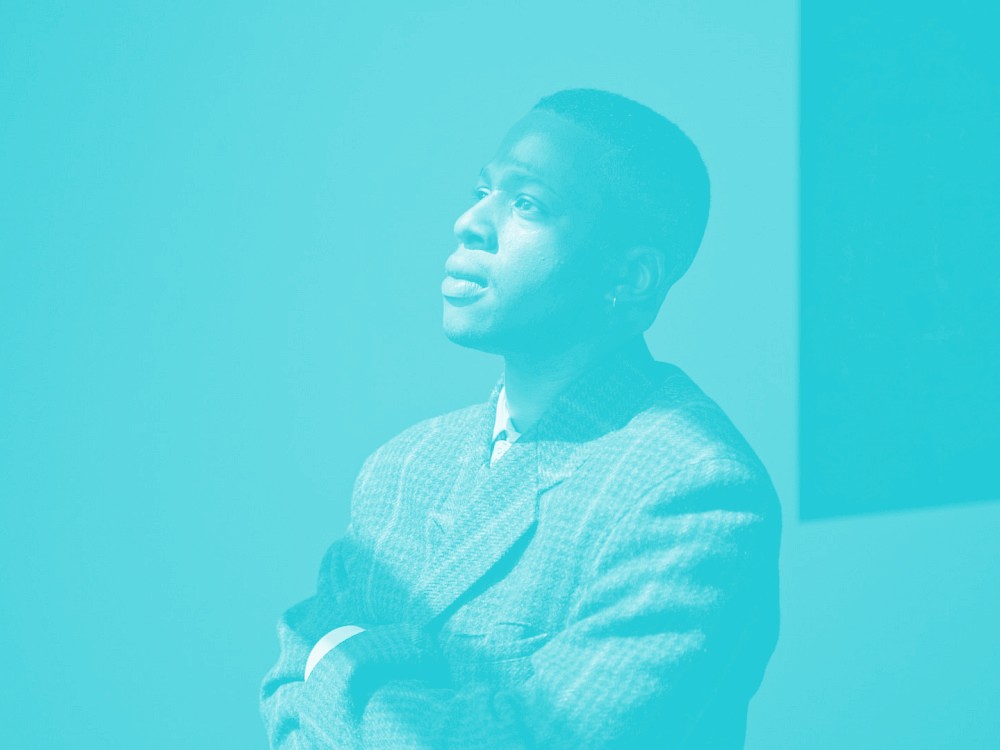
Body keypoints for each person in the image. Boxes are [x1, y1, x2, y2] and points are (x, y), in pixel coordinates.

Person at [260, 89, 781, 749]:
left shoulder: (693, 490)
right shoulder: (402, 465)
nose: (470, 223)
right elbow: (283, 693)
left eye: (529, 204)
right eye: (482, 190)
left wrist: (339, 663)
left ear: (630, 277)